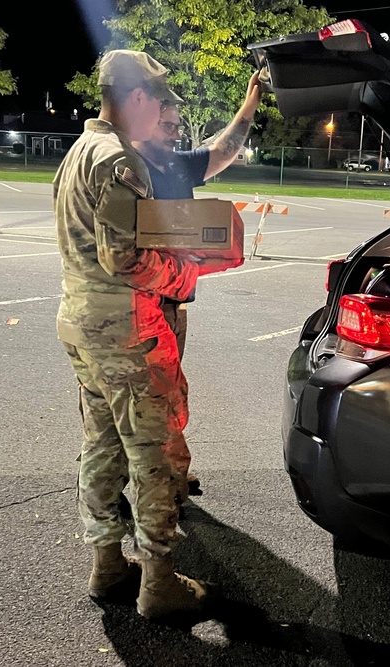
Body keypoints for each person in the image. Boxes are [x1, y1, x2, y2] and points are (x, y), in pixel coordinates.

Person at [53, 49, 241, 621]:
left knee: (102, 444)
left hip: (82, 323)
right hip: (128, 329)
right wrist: (188, 275)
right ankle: (159, 585)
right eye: (161, 100)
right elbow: (126, 259)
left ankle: (108, 565)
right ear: (137, 98)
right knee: (155, 450)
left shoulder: (77, 153)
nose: (165, 111)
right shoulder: (117, 161)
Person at [133, 70, 263, 497]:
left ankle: (170, 469)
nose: (173, 134)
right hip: (130, 306)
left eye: (175, 127)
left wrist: (249, 107)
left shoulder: (176, 165)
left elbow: (223, 150)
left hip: (172, 305)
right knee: (133, 397)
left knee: (169, 393)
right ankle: (128, 478)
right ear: (143, 118)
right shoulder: (125, 169)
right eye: (166, 125)